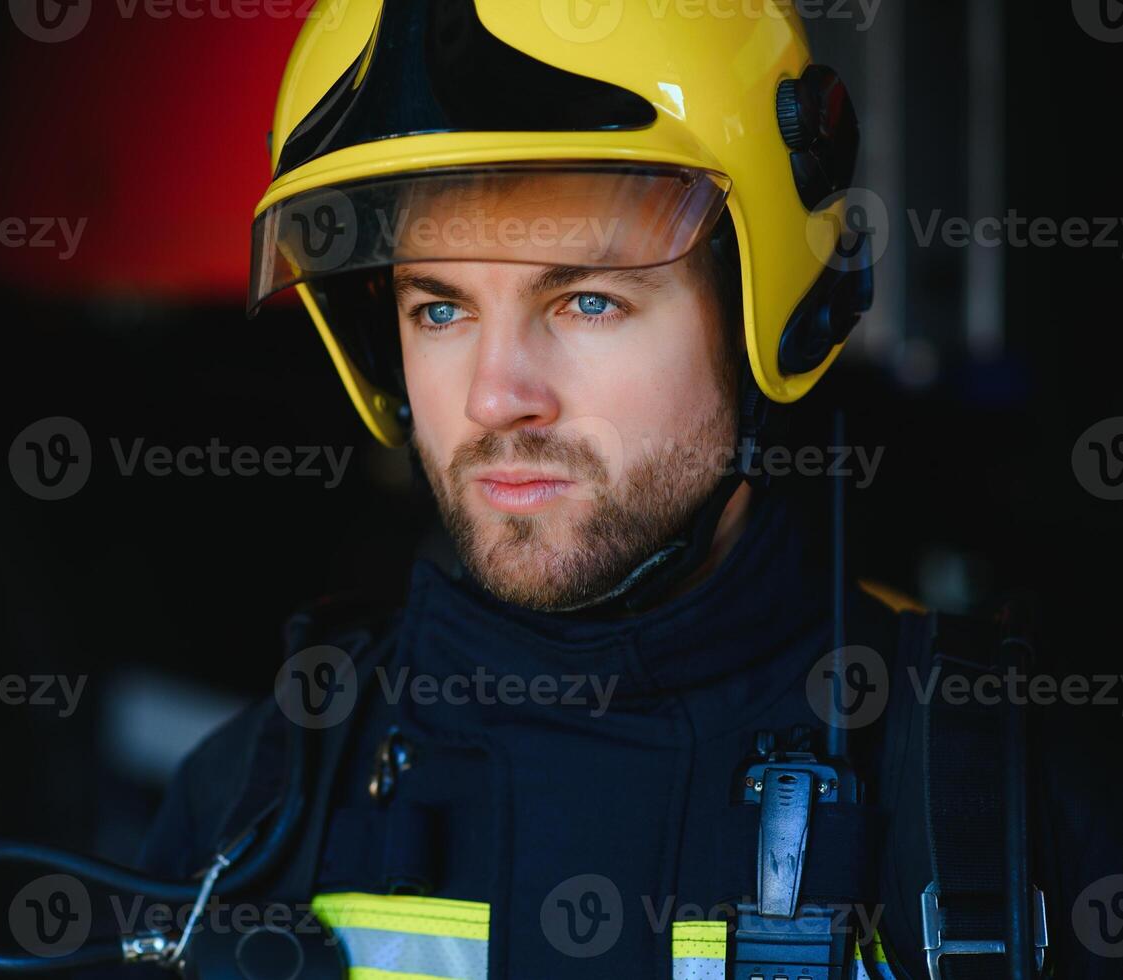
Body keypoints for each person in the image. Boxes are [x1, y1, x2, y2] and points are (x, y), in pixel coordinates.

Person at [130, 2, 1116, 977]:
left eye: (588, 298)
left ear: (762, 312)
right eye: (439, 307)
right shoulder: (249, 805)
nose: (496, 397)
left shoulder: (1006, 810)